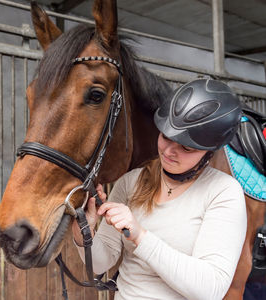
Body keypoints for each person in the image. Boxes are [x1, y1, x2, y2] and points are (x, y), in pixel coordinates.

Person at [72, 78, 247, 300]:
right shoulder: (130, 182)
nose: (169, 151)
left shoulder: (224, 192)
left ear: (208, 151)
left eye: (185, 147)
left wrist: (140, 236)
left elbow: (209, 290)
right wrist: (83, 232)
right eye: (166, 136)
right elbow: (100, 263)